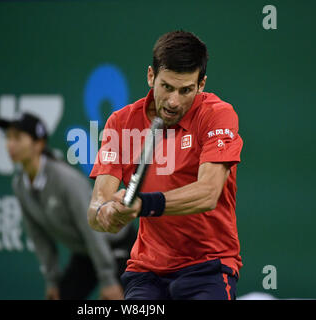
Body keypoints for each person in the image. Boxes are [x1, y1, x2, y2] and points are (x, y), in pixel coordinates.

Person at [87, 30, 243, 300]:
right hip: (146, 272)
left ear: (201, 84)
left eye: (186, 90)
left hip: (208, 267)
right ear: (151, 76)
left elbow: (208, 193)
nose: (173, 101)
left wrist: (143, 204)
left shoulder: (218, 115)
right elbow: (95, 209)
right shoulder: (121, 123)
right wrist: (108, 213)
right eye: (167, 87)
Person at [0, 112, 136, 300]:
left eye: (17, 138)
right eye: (8, 138)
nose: (9, 145)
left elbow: (92, 230)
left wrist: (108, 280)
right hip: (85, 252)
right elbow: (38, 237)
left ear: (39, 144)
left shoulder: (65, 180)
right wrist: (52, 281)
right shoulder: (20, 185)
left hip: (116, 245)